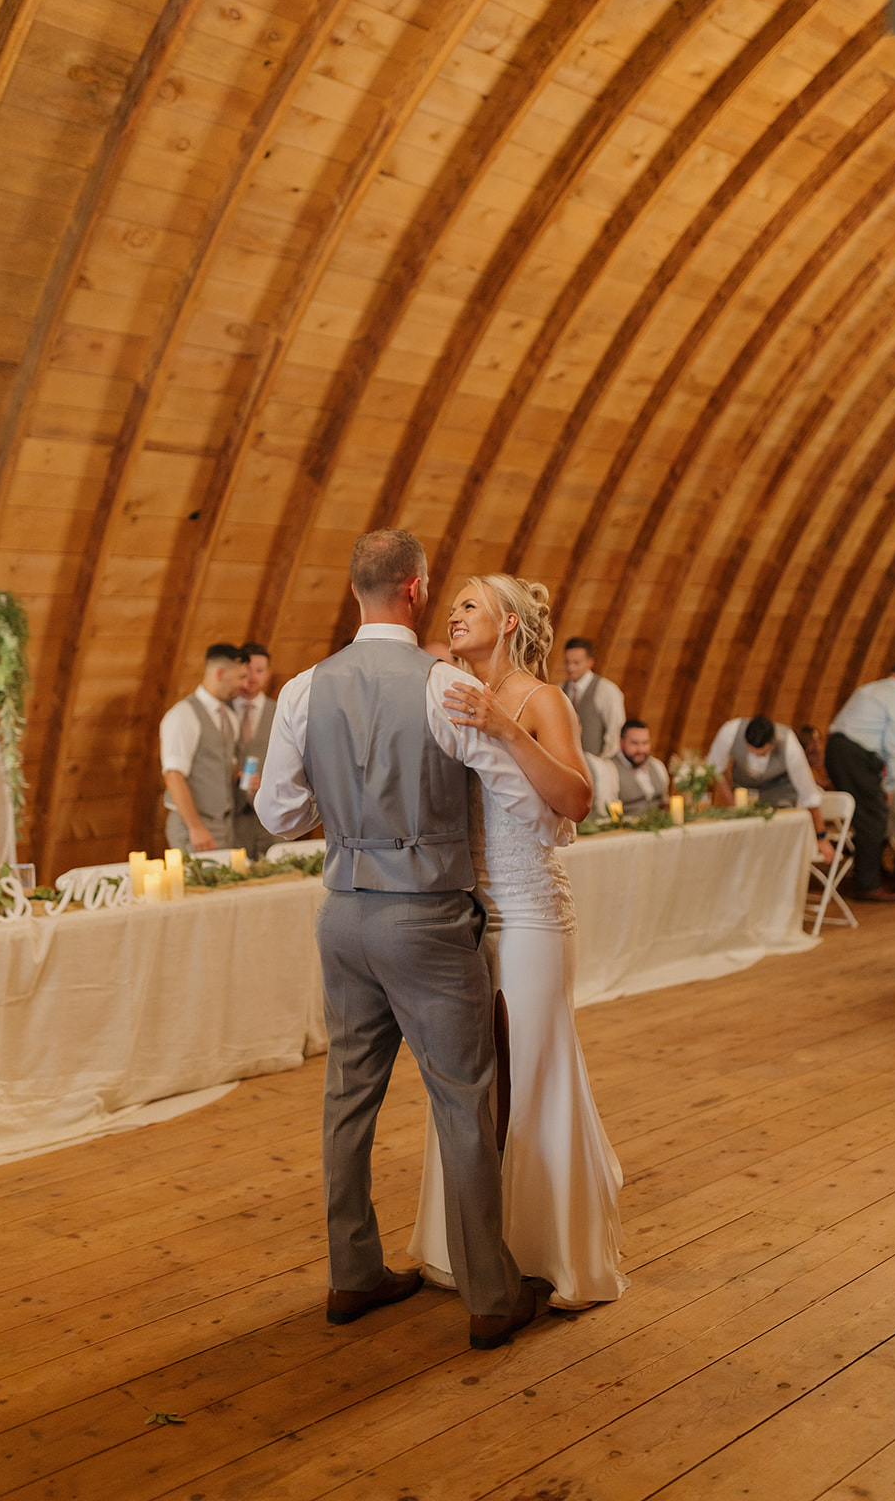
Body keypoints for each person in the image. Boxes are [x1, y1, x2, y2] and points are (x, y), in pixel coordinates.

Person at [255, 529, 557, 1350]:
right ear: (416, 589)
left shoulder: (302, 689)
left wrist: (343, 810)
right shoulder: (443, 685)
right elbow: (521, 801)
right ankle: (491, 1294)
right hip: (424, 915)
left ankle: (352, 1274)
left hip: (341, 913)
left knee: (347, 1096)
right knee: (462, 1099)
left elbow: (278, 814)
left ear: (354, 590)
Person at [409, 574, 628, 1312]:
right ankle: (468, 1247)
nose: (454, 614)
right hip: (465, 911)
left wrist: (505, 730)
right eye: (452, 605)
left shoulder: (541, 700)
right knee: (471, 1079)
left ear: (507, 623)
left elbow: (576, 800)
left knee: (532, 1070)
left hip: (531, 910)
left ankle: (550, 1252)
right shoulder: (451, 696)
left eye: (469, 605)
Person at [825, 660, 895, 901]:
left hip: (836, 750)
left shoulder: (869, 689)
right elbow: (894, 747)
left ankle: (870, 872)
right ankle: (868, 884)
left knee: (863, 814)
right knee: (874, 816)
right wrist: (889, 785)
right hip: (856, 756)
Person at [709, 715, 835, 863]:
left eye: (761, 753)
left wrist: (821, 837)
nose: (755, 756)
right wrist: (733, 805)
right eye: (751, 751)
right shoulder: (730, 732)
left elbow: (809, 795)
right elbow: (716, 770)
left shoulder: (789, 744)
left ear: (773, 740)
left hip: (780, 804)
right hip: (745, 804)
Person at [160, 643, 246, 852]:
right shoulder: (183, 715)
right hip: (193, 826)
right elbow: (173, 776)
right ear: (219, 673)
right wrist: (195, 827)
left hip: (225, 825)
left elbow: (224, 764)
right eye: (239, 677)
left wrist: (242, 777)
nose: (243, 684)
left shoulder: (230, 718)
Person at [233, 642, 277, 859]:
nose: (252, 677)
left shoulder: (280, 710)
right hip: (232, 818)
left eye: (259, 671)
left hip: (270, 816)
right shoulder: (222, 710)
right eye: (248, 670)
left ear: (267, 674)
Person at [590, 719, 669, 818]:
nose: (641, 749)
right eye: (634, 743)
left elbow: (665, 801)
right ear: (621, 743)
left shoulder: (657, 765)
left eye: (645, 743)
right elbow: (605, 812)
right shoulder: (609, 769)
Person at [561, 637, 625, 758]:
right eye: (567, 662)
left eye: (576, 663)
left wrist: (602, 764)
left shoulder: (607, 690)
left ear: (590, 662)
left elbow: (615, 733)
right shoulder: (560, 689)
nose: (570, 668)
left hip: (597, 763)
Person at [797, 723, 831, 790]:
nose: (817, 746)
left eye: (819, 739)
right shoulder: (800, 766)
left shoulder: (827, 761)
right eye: (812, 740)